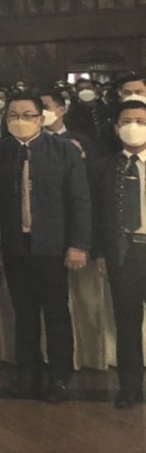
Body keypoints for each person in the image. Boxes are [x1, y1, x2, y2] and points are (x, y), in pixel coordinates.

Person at [0, 91, 91, 403]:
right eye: (13, 115)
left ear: (40, 118)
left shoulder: (64, 150)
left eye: (27, 115)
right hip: (15, 245)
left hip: (52, 245)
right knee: (24, 314)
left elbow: (79, 200)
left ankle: (60, 376)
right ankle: (27, 373)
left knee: (56, 313)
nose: (20, 120)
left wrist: (78, 244)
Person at [94, 99, 146, 408]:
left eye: (141, 121)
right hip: (124, 253)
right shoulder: (105, 166)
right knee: (127, 323)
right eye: (127, 121)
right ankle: (130, 386)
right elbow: (98, 214)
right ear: (116, 127)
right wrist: (101, 252)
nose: (133, 127)